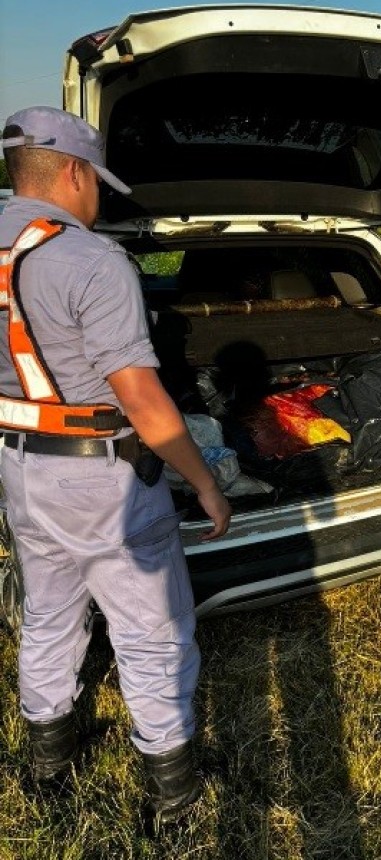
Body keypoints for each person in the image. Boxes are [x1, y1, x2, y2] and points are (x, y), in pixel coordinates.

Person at [0, 106, 231, 825]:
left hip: (19, 467)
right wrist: (205, 482)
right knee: (151, 630)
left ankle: (46, 767)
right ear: (71, 172)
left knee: (47, 613)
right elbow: (145, 401)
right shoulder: (90, 260)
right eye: (96, 181)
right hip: (99, 477)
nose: (99, 197)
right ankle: (174, 793)